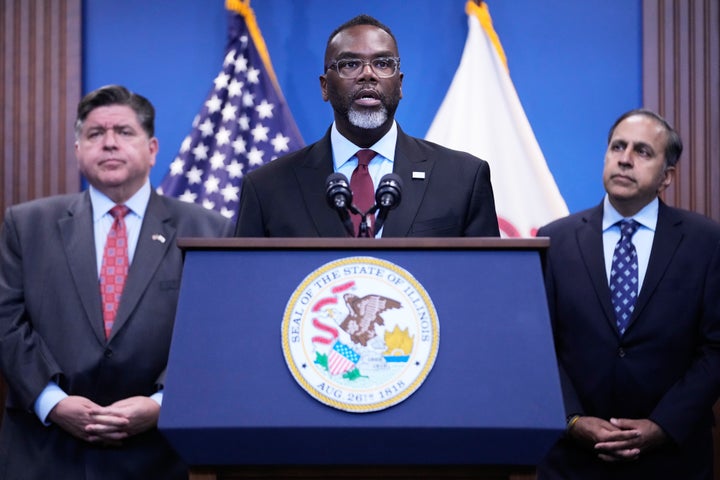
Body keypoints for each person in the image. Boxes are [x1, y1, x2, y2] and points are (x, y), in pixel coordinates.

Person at [0, 85, 233, 479]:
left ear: (153, 148)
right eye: (95, 134)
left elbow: (215, 333)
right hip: (45, 453)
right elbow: (7, 322)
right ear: (78, 150)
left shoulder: (207, 229)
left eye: (124, 132)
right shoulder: (26, 226)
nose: (109, 144)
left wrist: (163, 403)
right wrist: (52, 402)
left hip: (160, 457)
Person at [536, 109, 720, 479]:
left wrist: (662, 426)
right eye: (617, 147)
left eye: (642, 151)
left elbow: (715, 348)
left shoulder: (706, 242)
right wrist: (573, 419)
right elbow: (539, 345)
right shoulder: (554, 239)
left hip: (672, 461)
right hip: (572, 462)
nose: (624, 158)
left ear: (666, 177)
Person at [235, 14, 499, 237]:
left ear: (400, 84)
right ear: (325, 87)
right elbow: (248, 287)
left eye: (383, 63)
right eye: (350, 64)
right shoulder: (267, 189)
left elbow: (486, 286)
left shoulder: (463, 178)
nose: (368, 74)